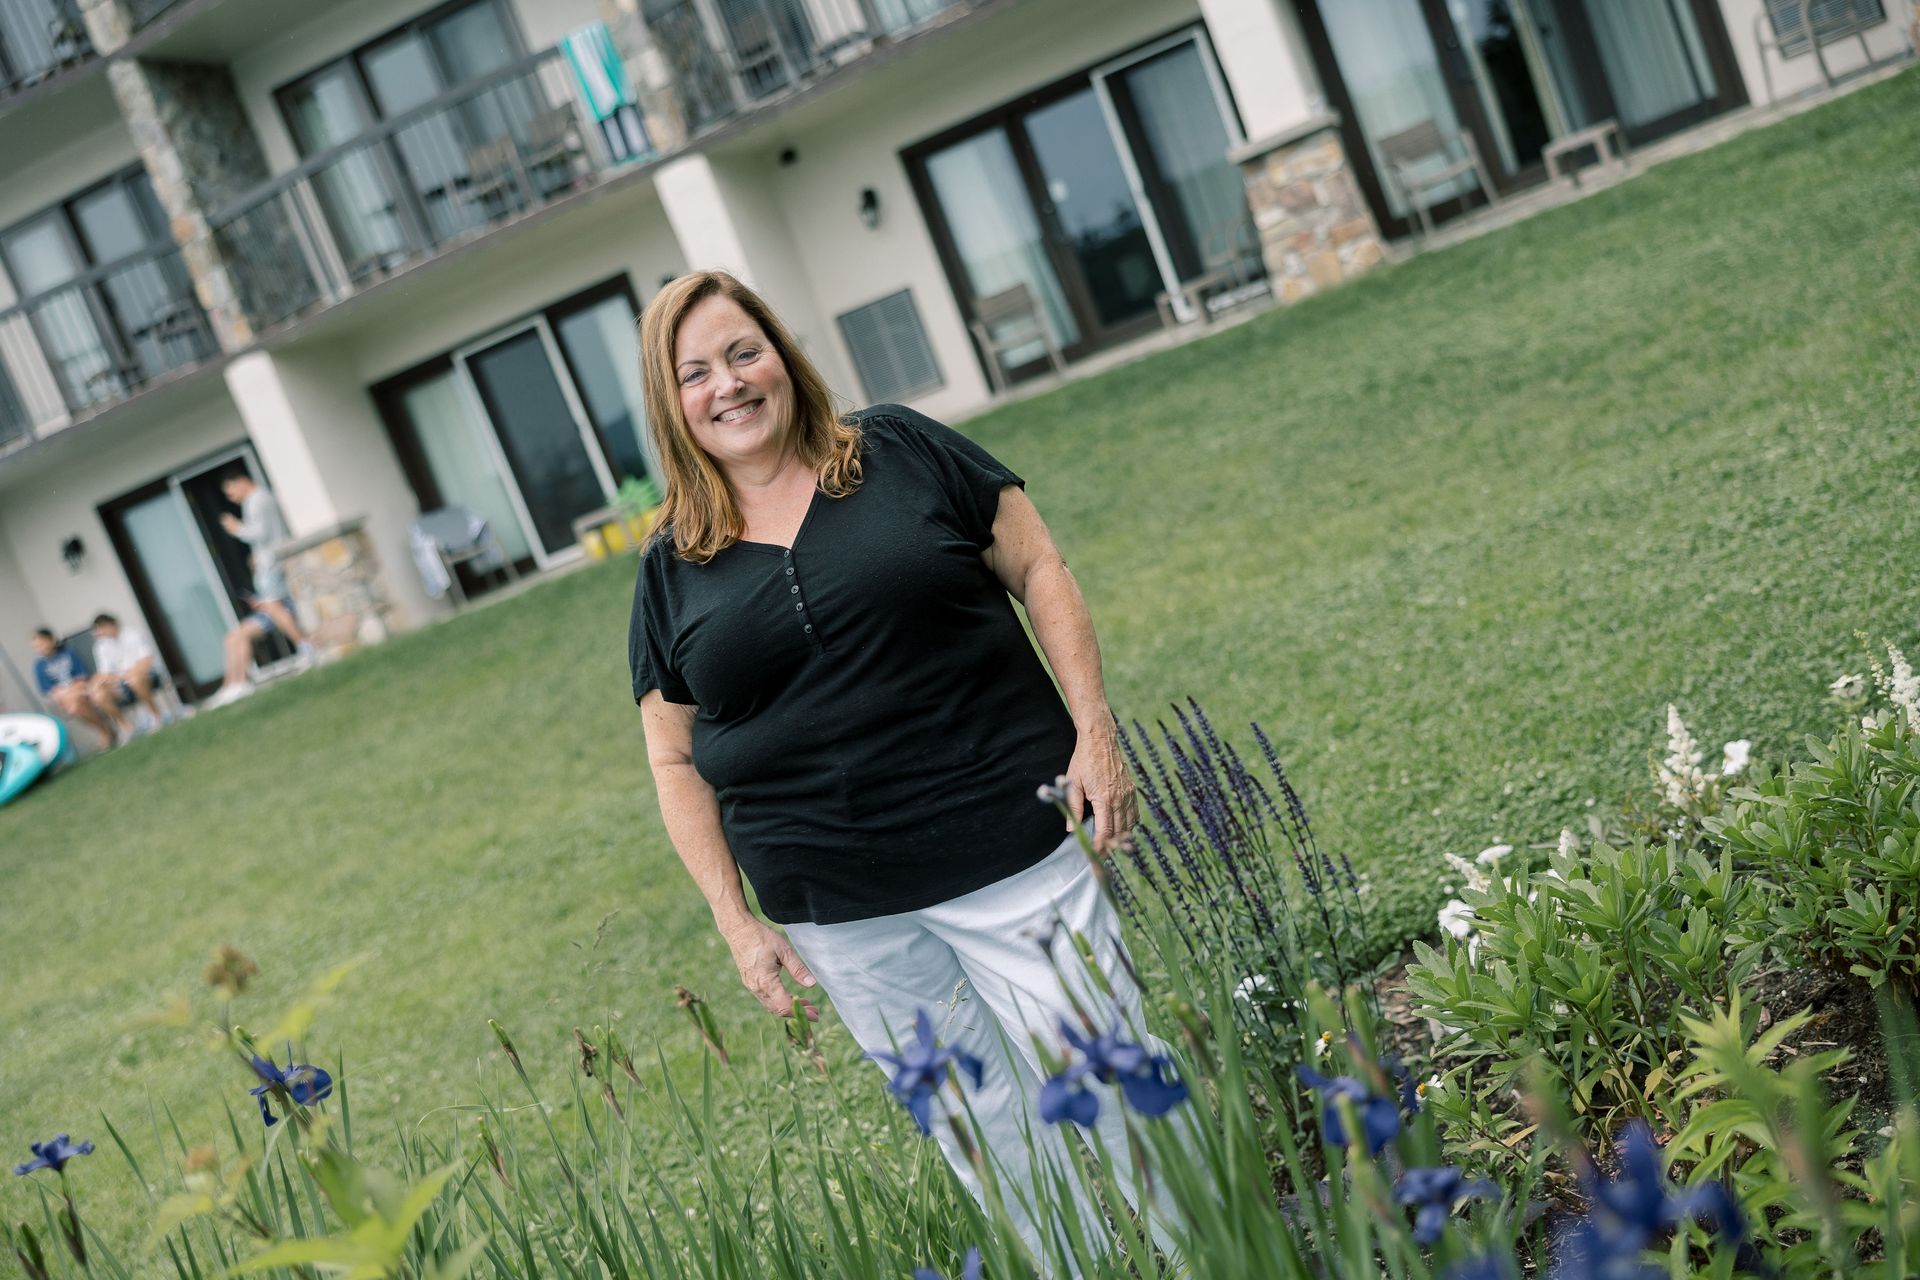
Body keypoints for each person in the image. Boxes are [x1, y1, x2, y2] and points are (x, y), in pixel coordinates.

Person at [628, 271, 1154, 1268]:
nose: (728, 384)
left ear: (780, 352)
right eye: (694, 372)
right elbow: (670, 749)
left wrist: (1094, 728)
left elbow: (1040, 568)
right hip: (841, 907)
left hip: (1015, 847)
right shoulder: (671, 561)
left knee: (1118, 1073)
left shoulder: (899, 449)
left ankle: (1209, 1250)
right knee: (981, 1127)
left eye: (743, 351)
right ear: (673, 404)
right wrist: (736, 921)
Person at [204, 468, 310, 709]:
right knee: (234, 635)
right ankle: (234, 685)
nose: (232, 498)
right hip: (270, 566)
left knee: (271, 607)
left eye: (231, 492)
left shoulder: (256, 501)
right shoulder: (262, 499)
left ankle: (305, 646)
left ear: (241, 482)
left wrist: (236, 528)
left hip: (271, 566)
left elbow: (260, 534)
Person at [87, 613, 168, 740]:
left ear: (112, 625)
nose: (99, 633)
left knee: (134, 679)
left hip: (147, 677)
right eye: (97, 629)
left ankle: (156, 715)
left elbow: (146, 661)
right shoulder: (100, 646)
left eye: (101, 628)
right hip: (121, 684)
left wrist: (125, 676)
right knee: (98, 695)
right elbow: (105, 673)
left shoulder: (134, 634)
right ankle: (127, 728)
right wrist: (98, 684)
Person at [30, 627, 116, 743]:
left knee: (74, 705)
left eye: (41, 644)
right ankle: (105, 730)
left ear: (50, 640)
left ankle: (105, 732)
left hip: (81, 689)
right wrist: (66, 694)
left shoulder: (68, 652)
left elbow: (82, 677)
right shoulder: (39, 665)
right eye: (36, 646)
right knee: (74, 706)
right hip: (65, 697)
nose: (39, 648)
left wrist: (71, 691)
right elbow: (49, 691)